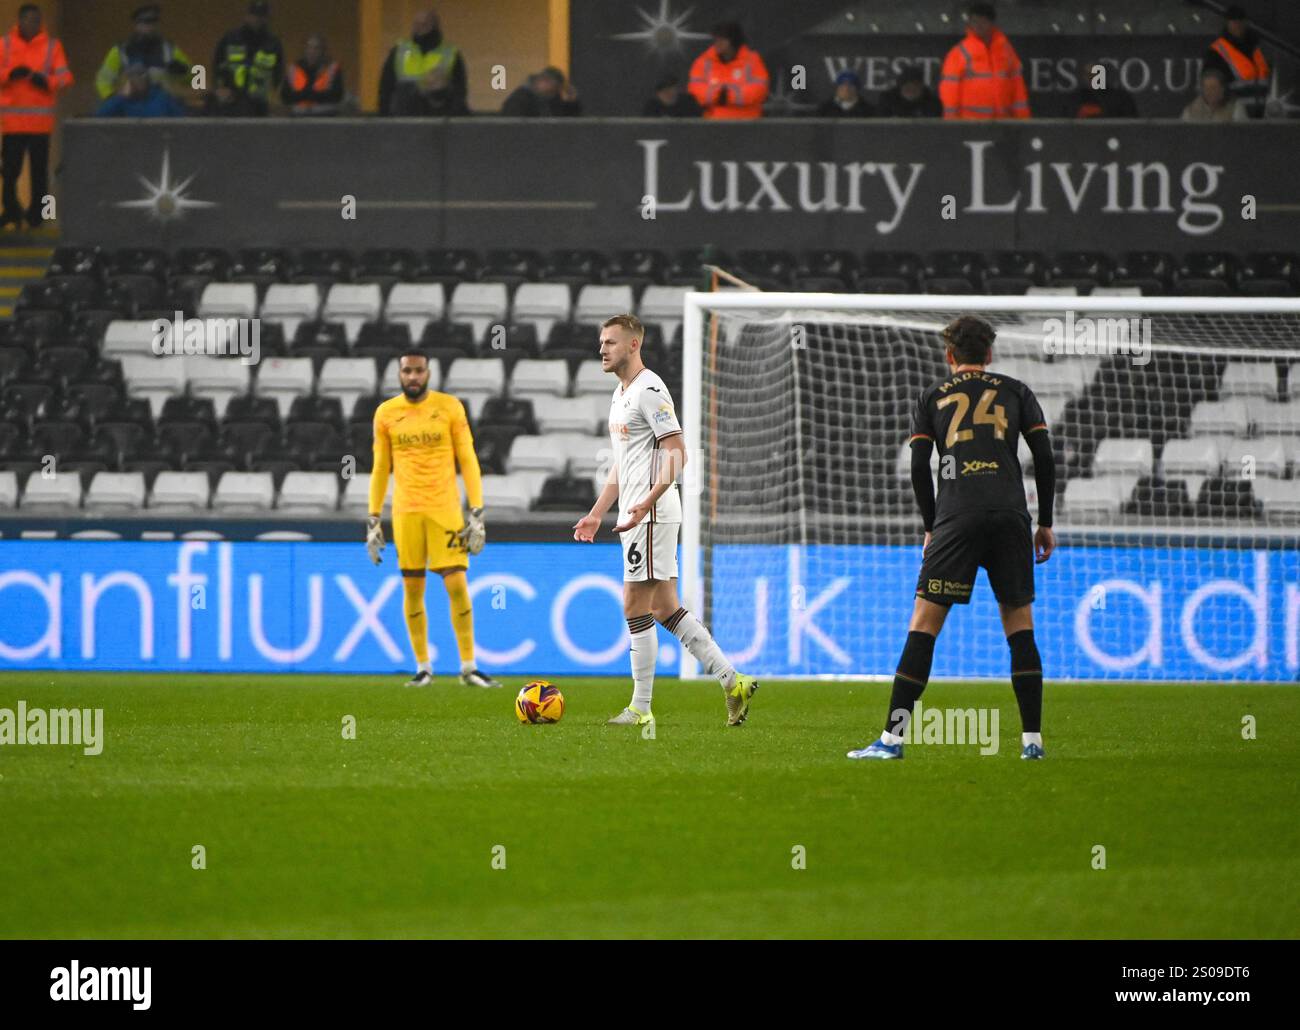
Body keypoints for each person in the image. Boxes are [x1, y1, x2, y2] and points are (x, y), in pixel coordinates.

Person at [848, 316, 1056, 761]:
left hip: (957, 517)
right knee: (1020, 627)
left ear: (949, 355)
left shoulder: (932, 397)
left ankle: (891, 741)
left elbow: (918, 466)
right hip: (1009, 515)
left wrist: (930, 525)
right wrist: (1046, 522)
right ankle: (1032, 743)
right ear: (990, 354)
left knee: (924, 625)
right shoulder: (1017, 390)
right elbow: (1044, 455)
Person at [573, 314, 760, 728]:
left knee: (633, 604)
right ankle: (733, 682)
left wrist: (647, 502)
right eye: (601, 342)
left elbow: (678, 453)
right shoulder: (620, 395)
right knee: (663, 606)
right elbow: (621, 466)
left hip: (652, 514)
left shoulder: (650, 389)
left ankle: (641, 707)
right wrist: (596, 513)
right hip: (637, 514)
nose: (602, 349)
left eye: (611, 342)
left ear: (634, 345)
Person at [367, 350, 500, 690]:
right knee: (413, 587)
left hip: (445, 509)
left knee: (456, 583)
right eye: (407, 371)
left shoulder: (450, 407)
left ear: (429, 372)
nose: (413, 377)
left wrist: (477, 511)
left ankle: (468, 666)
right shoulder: (386, 413)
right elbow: (381, 467)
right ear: (399, 374)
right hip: (406, 510)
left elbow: (467, 458)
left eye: (419, 370)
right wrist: (373, 518)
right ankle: (423, 667)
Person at [0, 4, 72, 232]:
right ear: (20, 21)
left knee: (38, 172)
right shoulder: (5, 44)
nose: (33, 24)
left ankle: (37, 216)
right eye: (29, 20)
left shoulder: (52, 46)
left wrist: (47, 82)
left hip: (40, 125)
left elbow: (65, 77)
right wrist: (9, 74)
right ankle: (11, 209)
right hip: (13, 124)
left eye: (36, 20)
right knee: (10, 171)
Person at [939, 2, 1029, 119]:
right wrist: (952, 122)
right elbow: (949, 90)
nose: (978, 25)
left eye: (983, 21)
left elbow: (1018, 88)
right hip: (970, 124)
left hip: (1003, 124)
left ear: (992, 23)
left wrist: (1023, 120)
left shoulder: (1006, 51)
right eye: (974, 21)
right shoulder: (959, 52)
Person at [377, 9, 466, 117]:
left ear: (434, 26)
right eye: (416, 24)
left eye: (424, 24)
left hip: (438, 116)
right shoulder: (400, 50)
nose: (418, 28)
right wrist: (384, 115)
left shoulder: (450, 53)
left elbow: (460, 90)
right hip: (404, 115)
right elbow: (386, 85)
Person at [95, 4, 191, 101]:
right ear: (136, 25)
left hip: (163, 108)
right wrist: (111, 99)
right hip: (129, 108)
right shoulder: (121, 51)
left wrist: (183, 72)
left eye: (153, 23)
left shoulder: (170, 50)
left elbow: (194, 79)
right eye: (145, 23)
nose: (150, 27)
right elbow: (103, 80)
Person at [213, 0, 284, 117]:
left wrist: (273, 96)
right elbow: (217, 65)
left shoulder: (273, 43)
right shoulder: (231, 38)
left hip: (260, 102)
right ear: (247, 16)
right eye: (254, 15)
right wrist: (219, 88)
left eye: (261, 16)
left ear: (267, 18)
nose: (257, 19)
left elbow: (278, 72)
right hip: (231, 100)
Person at [687, 21, 769, 120]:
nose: (718, 43)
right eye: (716, 39)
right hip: (713, 123)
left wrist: (728, 95)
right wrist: (718, 94)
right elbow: (695, 89)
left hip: (747, 123)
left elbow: (759, 90)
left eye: (723, 39)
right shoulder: (703, 62)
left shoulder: (752, 61)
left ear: (734, 41)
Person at [1203, 4, 1269, 118]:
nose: (1237, 25)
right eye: (1233, 22)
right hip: (1233, 116)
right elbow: (1211, 88)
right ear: (1227, 24)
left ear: (1245, 23)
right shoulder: (1217, 51)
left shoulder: (1256, 48)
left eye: (1240, 21)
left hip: (1262, 114)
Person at [96, 61, 187, 117]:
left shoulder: (162, 98)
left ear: (147, 79)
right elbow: (100, 117)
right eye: (133, 77)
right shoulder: (122, 100)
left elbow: (181, 121)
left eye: (141, 76)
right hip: (130, 143)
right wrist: (120, 97)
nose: (138, 81)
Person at [281, 34, 344, 115]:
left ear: (323, 51)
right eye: (309, 47)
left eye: (316, 48)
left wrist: (306, 95)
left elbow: (336, 96)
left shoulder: (332, 69)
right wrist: (310, 95)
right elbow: (285, 96)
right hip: (298, 116)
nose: (312, 52)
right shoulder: (294, 69)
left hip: (325, 115)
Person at [501, 66, 580, 116]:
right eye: (544, 80)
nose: (545, 84)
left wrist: (571, 103)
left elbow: (570, 122)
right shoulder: (521, 98)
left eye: (550, 82)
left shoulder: (556, 101)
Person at [1073, 59, 1137, 118]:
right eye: (1087, 74)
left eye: (1095, 74)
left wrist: (1100, 112)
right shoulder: (1076, 97)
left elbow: (1132, 122)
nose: (1091, 77)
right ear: (1083, 77)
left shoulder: (1121, 97)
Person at [1182, 66, 1249, 122]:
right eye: (1206, 88)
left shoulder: (1235, 108)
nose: (1209, 92)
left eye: (1213, 88)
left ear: (1222, 89)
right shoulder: (1191, 110)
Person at [876, 66, 942, 118]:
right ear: (900, 87)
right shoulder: (888, 100)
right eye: (907, 86)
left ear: (922, 86)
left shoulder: (932, 103)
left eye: (915, 85)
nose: (911, 89)